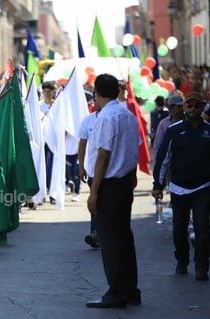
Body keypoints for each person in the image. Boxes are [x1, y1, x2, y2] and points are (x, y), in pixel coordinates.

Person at [85, 74, 140, 308]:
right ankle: (130, 289)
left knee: (111, 240)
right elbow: (133, 148)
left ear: (97, 94)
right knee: (123, 237)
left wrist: (94, 192)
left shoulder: (107, 116)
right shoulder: (127, 114)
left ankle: (116, 291)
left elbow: (103, 154)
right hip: (124, 182)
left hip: (110, 185)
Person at [152, 91, 210, 281]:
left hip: (203, 187)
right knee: (179, 228)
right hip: (178, 188)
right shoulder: (174, 130)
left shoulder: (208, 130)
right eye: (189, 105)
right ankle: (182, 261)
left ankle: (202, 266)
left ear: (202, 108)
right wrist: (158, 185)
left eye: (196, 105)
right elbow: (162, 159)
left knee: (202, 228)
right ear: (184, 107)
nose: (192, 108)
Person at [78, 98, 102, 249]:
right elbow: (82, 143)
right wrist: (81, 167)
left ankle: (105, 233)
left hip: (112, 172)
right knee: (96, 201)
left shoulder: (115, 118)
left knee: (105, 202)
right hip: (93, 170)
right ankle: (95, 233)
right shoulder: (88, 120)